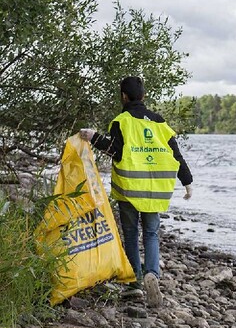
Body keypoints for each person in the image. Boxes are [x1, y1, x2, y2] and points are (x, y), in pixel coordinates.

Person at [80, 76, 193, 308]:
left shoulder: (121, 121)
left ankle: (136, 282)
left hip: (129, 190)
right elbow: (175, 154)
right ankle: (153, 273)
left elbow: (116, 151)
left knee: (131, 235)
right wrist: (187, 181)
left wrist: (94, 138)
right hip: (153, 193)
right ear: (143, 96)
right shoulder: (159, 122)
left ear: (123, 96)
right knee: (151, 234)